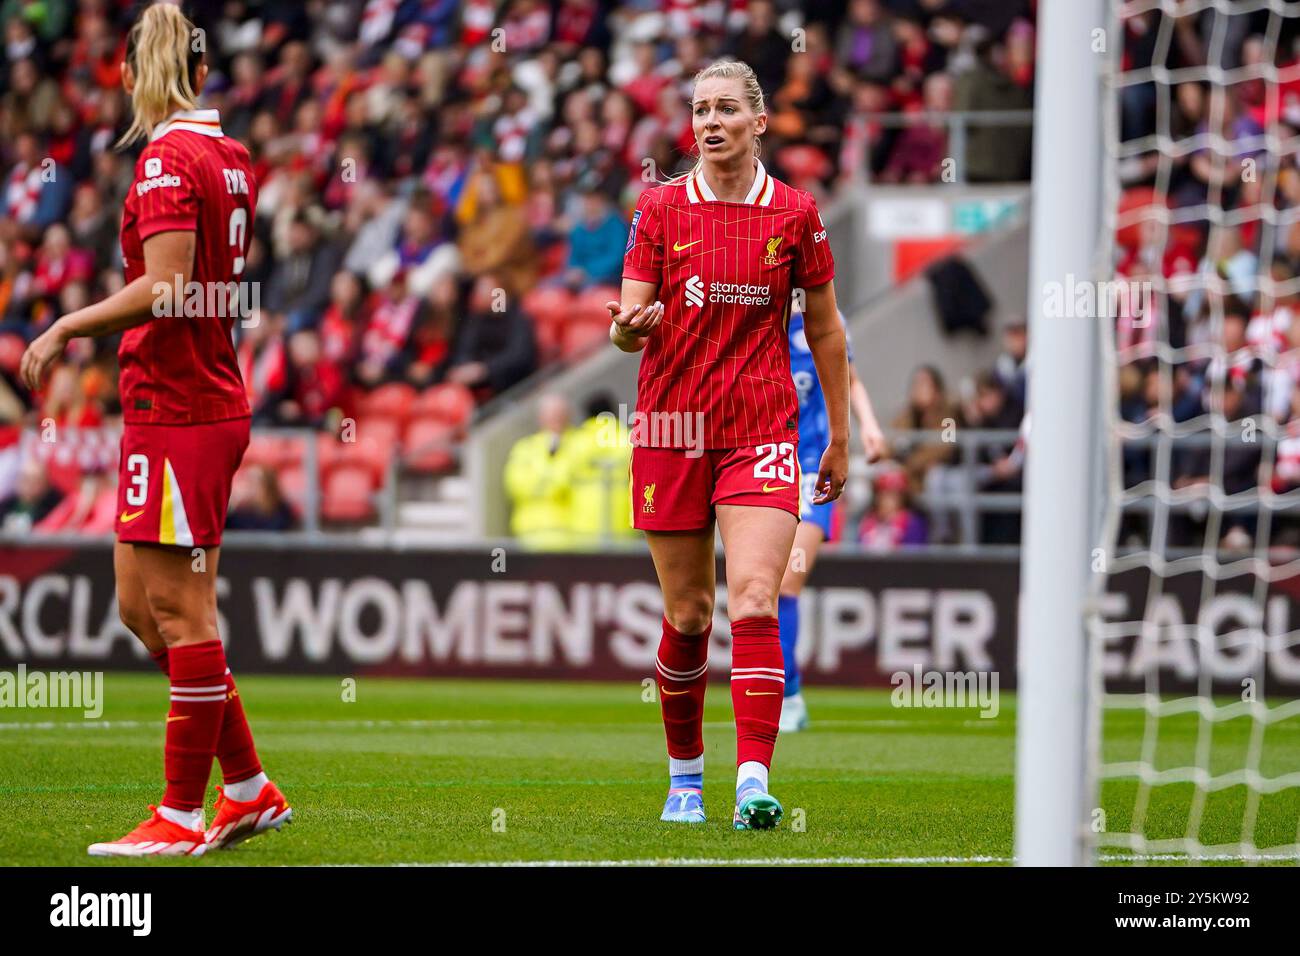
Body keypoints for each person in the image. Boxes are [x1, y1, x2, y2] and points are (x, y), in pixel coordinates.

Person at [18, 3, 290, 857]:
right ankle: (246, 788)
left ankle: (177, 815)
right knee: (141, 607)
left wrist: (67, 326)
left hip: (184, 406)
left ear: (138, 74)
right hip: (174, 402)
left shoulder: (171, 158)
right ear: (204, 73)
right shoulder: (229, 154)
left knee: (180, 610)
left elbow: (167, 287)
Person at [610, 60, 864, 830]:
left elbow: (823, 328)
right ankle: (684, 779)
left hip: (761, 427)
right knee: (689, 617)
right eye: (699, 111)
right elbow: (627, 323)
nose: (709, 122)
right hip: (671, 429)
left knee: (755, 595)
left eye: (725, 109)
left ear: (759, 122)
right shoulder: (658, 210)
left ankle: (752, 779)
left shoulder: (795, 214)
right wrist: (627, 330)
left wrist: (843, 436)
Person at [776, 310, 886, 732]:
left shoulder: (823, 317)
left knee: (787, 581)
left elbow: (849, 378)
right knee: (760, 590)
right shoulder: (752, 308)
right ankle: (784, 693)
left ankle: (789, 699)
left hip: (813, 467)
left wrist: (869, 428)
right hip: (763, 463)